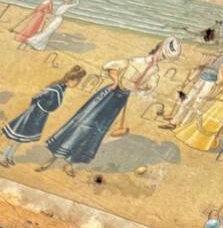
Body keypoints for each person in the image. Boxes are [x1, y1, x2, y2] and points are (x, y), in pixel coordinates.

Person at [38, 38, 179, 175]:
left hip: (120, 99)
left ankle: (71, 163)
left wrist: (137, 88)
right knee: (82, 123)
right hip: (108, 94)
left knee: (98, 131)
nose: (162, 58)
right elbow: (110, 66)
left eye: (165, 57)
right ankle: (52, 159)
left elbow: (149, 87)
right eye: (163, 54)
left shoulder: (154, 72)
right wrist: (117, 81)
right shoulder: (135, 61)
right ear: (159, 48)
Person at [0, 66, 85, 166]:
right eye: (76, 82)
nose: (76, 84)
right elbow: (36, 96)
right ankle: (2, 158)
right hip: (33, 113)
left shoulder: (62, 89)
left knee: (22, 137)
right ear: (69, 79)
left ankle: (10, 156)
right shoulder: (55, 88)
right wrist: (33, 109)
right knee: (17, 136)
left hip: (41, 115)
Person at [163, 44, 223, 131]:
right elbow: (203, 64)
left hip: (211, 81)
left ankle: (184, 124)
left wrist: (220, 78)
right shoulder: (217, 54)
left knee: (198, 102)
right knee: (188, 99)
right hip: (201, 77)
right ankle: (175, 121)